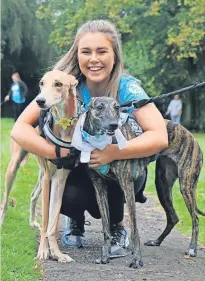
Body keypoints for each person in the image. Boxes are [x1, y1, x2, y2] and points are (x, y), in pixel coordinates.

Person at [11, 20, 168, 257]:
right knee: (68, 189)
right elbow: (19, 128)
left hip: (114, 168)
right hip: (77, 171)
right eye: (86, 51)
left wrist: (114, 152)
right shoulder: (64, 85)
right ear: (77, 55)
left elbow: (160, 136)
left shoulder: (127, 88)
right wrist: (55, 152)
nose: (94, 58)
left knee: (122, 175)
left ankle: (117, 226)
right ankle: (74, 220)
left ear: (115, 55)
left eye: (102, 51)